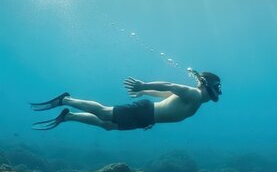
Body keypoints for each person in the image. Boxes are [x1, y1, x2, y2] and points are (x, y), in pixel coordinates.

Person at [30, 69, 221, 131]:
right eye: (217, 86)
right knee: (105, 112)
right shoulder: (195, 94)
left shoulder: (196, 100)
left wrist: (146, 94)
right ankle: (66, 100)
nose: (219, 91)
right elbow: (170, 86)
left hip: (148, 117)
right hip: (145, 112)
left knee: (107, 125)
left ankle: (68, 116)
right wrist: (143, 86)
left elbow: (167, 96)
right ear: (206, 84)